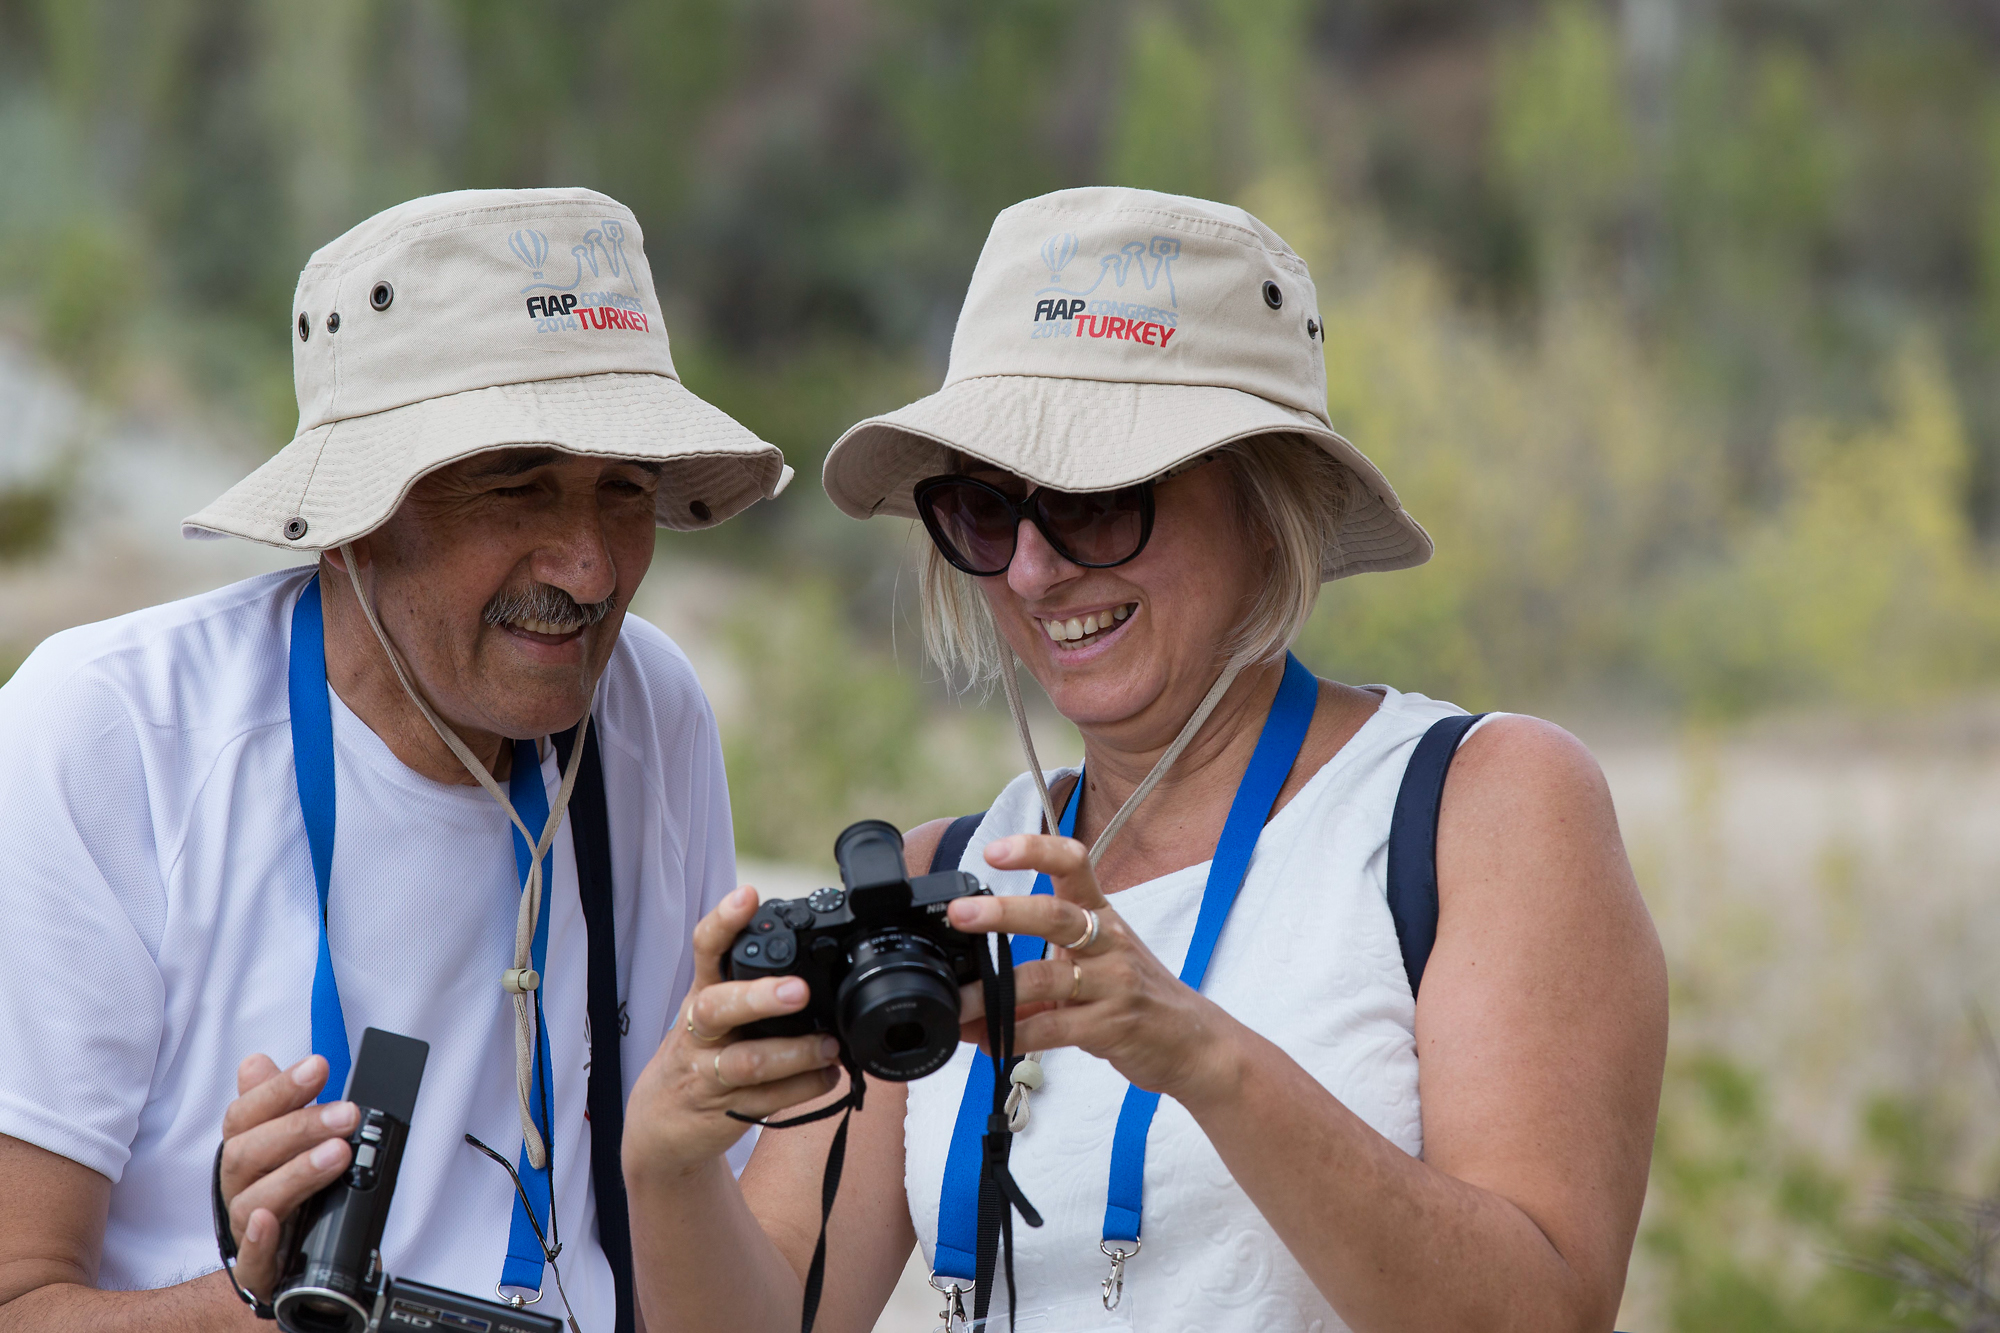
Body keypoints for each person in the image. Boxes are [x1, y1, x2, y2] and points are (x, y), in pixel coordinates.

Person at [616, 187, 1669, 1333]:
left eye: (1095, 499)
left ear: (1267, 503)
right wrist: (665, 1163)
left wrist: (1200, 1054)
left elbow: (1544, 1312)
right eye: (983, 511)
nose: (1032, 571)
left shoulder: (1476, 808)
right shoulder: (945, 881)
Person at [0, 187, 788, 1332]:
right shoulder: (116, 730)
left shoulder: (647, 709)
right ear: (355, 515)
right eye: (516, 482)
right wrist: (255, 1301)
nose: (587, 568)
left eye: (625, 488)